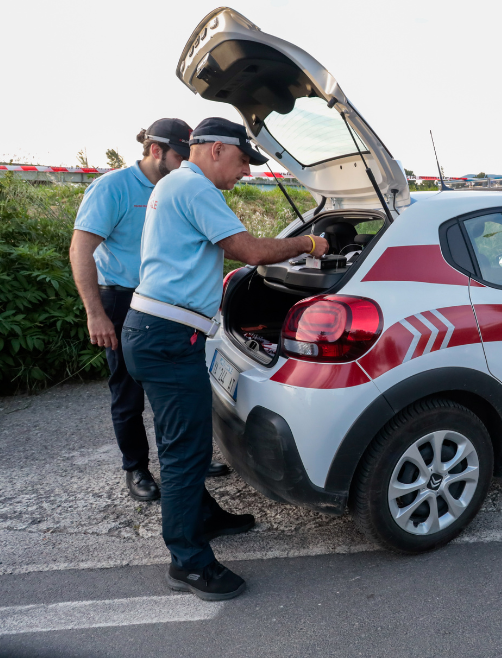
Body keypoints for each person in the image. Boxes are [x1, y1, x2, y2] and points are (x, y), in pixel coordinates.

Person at [121, 117, 329, 601]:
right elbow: (250, 251)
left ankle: (206, 518)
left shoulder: (175, 183)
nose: (245, 172)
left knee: (187, 439)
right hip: (167, 336)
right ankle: (188, 563)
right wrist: (308, 243)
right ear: (215, 150)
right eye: (242, 161)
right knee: (184, 453)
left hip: (159, 331)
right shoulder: (194, 189)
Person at [71, 119, 229, 501]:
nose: (185, 162)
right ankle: (137, 469)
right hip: (123, 299)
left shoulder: (182, 185)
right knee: (127, 394)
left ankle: (185, 460)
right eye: (179, 155)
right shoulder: (114, 187)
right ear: (155, 150)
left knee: (172, 392)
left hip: (167, 303)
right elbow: (80, 249)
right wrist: (96, 312)